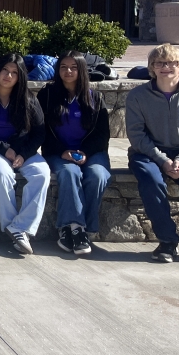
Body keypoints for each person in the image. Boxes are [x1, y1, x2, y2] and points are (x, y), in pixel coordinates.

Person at [0, 53, 49, 255]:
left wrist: (23, 153)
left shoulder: (29, 99)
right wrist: (4, 149)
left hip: (22, 150)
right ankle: (12, 226)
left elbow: (40, 132)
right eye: (5, 70)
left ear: (21, 76)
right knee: (2, 173)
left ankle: (19, 227)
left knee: (42, 173)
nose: (8, 75)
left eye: (14, 72)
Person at [38, 51, 111, 256]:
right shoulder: (48, 95)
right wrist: (62, 152)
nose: (68, 71)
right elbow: (40, 129)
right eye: (63, 67)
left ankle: (82, 230)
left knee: (97, 176)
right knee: (70, 174)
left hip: (91, 152)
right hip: (58, 152)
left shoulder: (95, 97)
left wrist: (85, 153)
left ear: (82, 70)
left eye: (73, 67)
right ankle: (72, 228)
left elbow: (103, 134)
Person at [127, 44, 179, 262]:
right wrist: (162, 161)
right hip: (147, 153)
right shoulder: (137, 96)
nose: (166, 67)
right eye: (159, 63)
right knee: (151, 179)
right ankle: (168, 242)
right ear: (152, 67)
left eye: (172, 63)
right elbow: (137, 135)